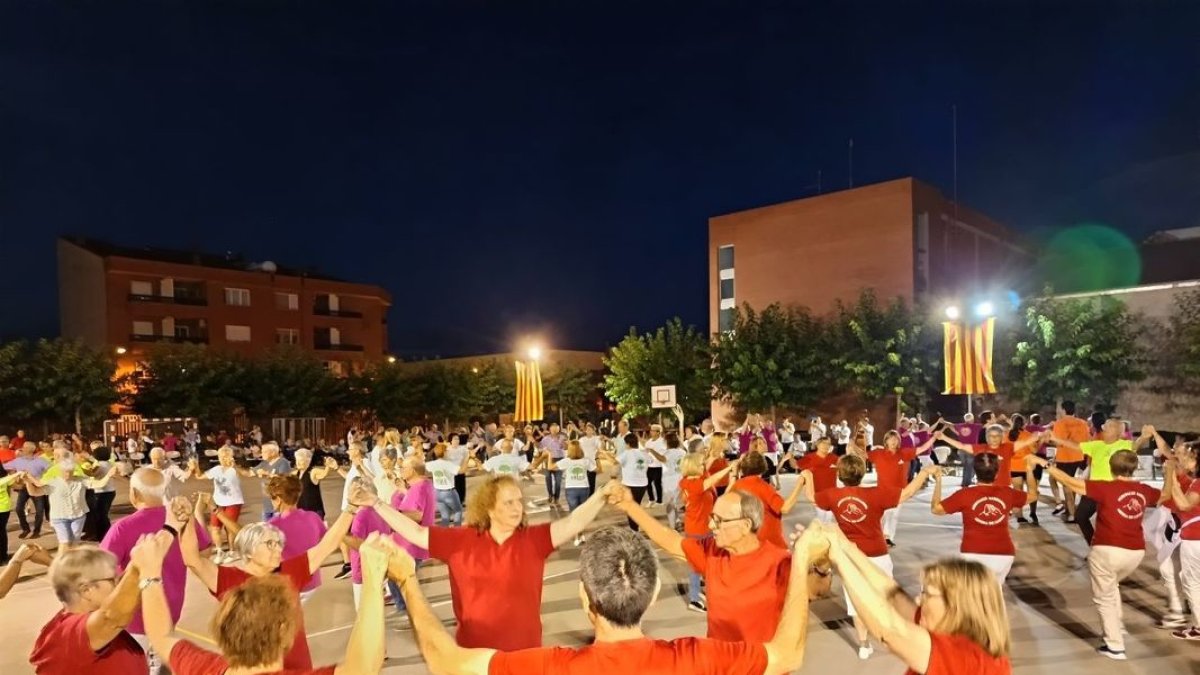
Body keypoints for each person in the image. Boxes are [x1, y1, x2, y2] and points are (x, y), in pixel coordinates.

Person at [396, 523, 820, 674]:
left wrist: (407, 581)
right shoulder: (697, 658)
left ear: (585, 598)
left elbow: (445, 661)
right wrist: (799, 562)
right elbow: (788, 655)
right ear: (652, 593)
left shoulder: (552, 667)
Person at [364, 474, 616, 650]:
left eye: (519, 501)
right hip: (474, 655)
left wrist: (602, 494)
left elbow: (573, 522)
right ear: (489, 508)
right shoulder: (460, 541)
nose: (518, 507)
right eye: (508, 502)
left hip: (525, 655)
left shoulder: (534, 539)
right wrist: (376, 503)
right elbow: (416, 533)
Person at [142, 528, 388, 675]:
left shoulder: (205, 668)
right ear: (283, 632)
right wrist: (374, 579)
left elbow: (160, 635)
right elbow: (363, 667)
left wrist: (149, 573)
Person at [181, 483, 369, 670]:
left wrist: (350, 508)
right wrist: (186, 519)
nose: (278, 548)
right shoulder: (227, 579)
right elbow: (192, 560)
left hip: (297, 667)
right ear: (249, 549)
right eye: (269, 543)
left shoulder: (290, 571)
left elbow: (327, 544)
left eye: (279, 543)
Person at [620, 483, 816, 642]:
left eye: (719, 520)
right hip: (720, 663)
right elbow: (670, 540)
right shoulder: (712, 550)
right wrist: (629, 506)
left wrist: (818, 561)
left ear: (745, 525)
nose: (711, 525)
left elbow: (817, 589)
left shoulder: (779, 561)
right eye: (713, 517)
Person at [824, 524, 1012, 674]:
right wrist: (845, 547)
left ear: (956, 604)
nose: (918, 600)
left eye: (927, 594)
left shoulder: (966, 656)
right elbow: (892, 594)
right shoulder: (950, 632)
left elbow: (888, 632)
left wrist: (839, 561)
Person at [803, 454, 935, 659]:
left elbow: (812, 497)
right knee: (887, 597)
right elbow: (906, 494)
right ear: (862, 473)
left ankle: (864, 645)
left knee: (856, 602)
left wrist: (808, 477)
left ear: (839, 475)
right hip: (877, 553)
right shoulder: (876, 493)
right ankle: (894, 637)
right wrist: (925, 472)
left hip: (850, 556)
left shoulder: (831, 495)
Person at [1030, 450, 1160, 660]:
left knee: (1104, 597)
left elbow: (1069, 482)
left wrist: (1044, 464)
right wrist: (1171, 470)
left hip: (1107, 550)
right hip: (1135, 552)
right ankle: (1118, 627)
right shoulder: (1144, 490)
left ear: (1110, 467)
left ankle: (1115, 645)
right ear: (1135, 467)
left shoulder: (1105, 488)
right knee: (1112, 585)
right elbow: (1166, 496)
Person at [99, 468, 212, 674]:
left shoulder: (122, 528)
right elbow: (204, 552)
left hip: (133, 619)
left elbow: (102, 570)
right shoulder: (180, 519)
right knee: (162, 661)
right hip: (170, 611)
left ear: (134, 494)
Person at [29, 544, 147, 673]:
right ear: (87, 590)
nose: (119, 586)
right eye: (113, 580)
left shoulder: (75, 625)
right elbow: (112, 618)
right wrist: (140, 566)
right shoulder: (71, 632)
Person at [930, 456, 1038, 582]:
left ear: (975, 472)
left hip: (973, 553)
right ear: (997, 474)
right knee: (995, 593)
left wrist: (938, 480)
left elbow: (935, 509)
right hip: (1004, 553)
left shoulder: (964, 494)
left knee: (975, 596)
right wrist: (1029, 470)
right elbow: (1033, 495)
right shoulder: (1007, 493)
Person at [1051, 416, 1149, 545]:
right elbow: (1075, 446)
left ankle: (1113, 547)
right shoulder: (1096, 445)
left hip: (1112, 492)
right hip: (1095, 490)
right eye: (1104, 426)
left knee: (1109, 523)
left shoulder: (1124, 445)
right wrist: (1054, 438)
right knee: (1081, 517)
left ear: (1116, 431)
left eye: (1107, 426)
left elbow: (1137, 444)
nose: (1104, 429)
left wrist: (1145, 436)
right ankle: (1093, 544)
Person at [851, 430, 939, 547]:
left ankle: (888, 538)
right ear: (886, 441)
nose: (893, 441)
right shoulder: (878, 453)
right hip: (882, 491)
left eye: (895, 439)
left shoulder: (904, 453)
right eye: (890, 439)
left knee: (893, 515)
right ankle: (879, 536)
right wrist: (852, 444)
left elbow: (922, 448)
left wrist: (933, 438)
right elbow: (862, 454)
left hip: (900, 492)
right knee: (883, 515)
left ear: (898, 441)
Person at [676, 453, 740, 611]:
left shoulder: (695, 480)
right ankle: (694, 598)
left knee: (703, 563)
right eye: (700, 465)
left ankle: (699, 591)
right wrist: (729, 468)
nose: (703, 467)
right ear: (692, 467)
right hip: (697, 531)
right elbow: (713, 480)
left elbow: (709, 470)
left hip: (704, 529)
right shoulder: (691, 485)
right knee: (697, 565)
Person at [387, 454, 437, 615]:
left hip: (411, 544)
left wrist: (391, 514)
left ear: (414, 470)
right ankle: (406, 610)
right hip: (407, 542)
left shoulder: (420, 487)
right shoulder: (420, 486)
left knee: (401, 580)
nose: (400, 470)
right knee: (400, 579)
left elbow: (417, 515)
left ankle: (407, 612)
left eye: (403, 467)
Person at [187, 446, 252, 563]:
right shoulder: (216, 469)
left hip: (234, 502)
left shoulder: (235, 469)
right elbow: (199, 476)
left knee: (229, 528)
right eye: (221, 457)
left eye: (225, 456)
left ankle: (232, 552)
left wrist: (235, 466)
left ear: (230, 456)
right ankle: (219, 551)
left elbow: (247, 474)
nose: (223, 459)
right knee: (215, 528)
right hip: (218, 501)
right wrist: (195, 466)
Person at [729, 451, 805, 549]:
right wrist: (800, 484)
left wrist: (736, 474)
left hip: (748, 539)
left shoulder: (737, 485)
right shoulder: (763, 487)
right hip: (768, 541)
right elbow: (784, 508)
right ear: (763, 466)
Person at [546, 440, 597, 545]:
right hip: (584, 488)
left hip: (571, 489)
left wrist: (549, 455)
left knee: (574, 514)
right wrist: (597, 458)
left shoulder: (567, 461)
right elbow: (597, 469)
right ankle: (581, 534)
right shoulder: (585, 461)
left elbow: (550, 467)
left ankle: (576, 536)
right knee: (582, 513)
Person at [1050, 401, 1093, 521]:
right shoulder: (1083, 423)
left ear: (1064, 410)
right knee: (1071, 483)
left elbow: (1058, 442)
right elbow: (1087, 440)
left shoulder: (1060, 423)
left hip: (1065, 457)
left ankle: (1072, 515)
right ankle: (1070, 510)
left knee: (1066, 486)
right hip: (1079, 457)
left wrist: (1051, 440)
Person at [5, 442, 51, 540]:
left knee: (39, 510)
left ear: (31, 449)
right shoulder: (17, 461)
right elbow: (4, 466)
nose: (22, 448)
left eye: (25, 447)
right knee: (18, 508)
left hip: (37, 487)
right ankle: (25, 529)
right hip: (24, 487)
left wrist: (43, 479)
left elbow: (51, 470)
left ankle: (37, 531)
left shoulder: (41, 461)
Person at [796, 437, 839, 522]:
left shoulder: (834, 458)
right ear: (817, 445)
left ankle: (823, 531)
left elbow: (844, 469)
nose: (826, 446)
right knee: (821, 516)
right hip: (817, 493)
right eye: (823, 443)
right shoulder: (809, 457)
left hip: (831, 493)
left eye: (828, 444)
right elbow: (797, 465)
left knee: (828, 518)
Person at [428, 442, 471, 527]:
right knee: (458, 511)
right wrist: (467, 458)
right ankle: (457, 531)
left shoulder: (431, 464)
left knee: (445, 515)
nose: (448, 452)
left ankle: (445, 534)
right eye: (447, 450)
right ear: (444, 452)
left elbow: (426, 472)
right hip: (448, 491)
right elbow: (461, 471)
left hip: (437, 492)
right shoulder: (448, 464)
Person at [617, 432, 651, 530]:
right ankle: (636, 527)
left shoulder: (627, 453)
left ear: (627, 444)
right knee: (636, 506)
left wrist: (603, 454)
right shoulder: (644, 453)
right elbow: (650, 462)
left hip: (629, 484)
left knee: (630, 508)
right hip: (642, 484)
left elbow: (615, 461)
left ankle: (634, 530)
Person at [293, 448, 339, 519]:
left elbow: (323, 474)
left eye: (300, 461)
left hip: (314, 510)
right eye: (297, 460)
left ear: (307, 461)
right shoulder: (296, 473)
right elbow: (284, 477)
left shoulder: (313, 471)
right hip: (300, 509)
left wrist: (328, 466)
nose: (297, 463)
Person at [254, 442, 293, 521]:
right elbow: (250, 472)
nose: (261, 454)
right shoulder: (264, 463)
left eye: (264, 451)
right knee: (266, 531)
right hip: (267, 506)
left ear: (272, 452)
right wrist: (235, 468)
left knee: (278, 531)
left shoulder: (283, 462)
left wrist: (266, 473)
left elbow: (283, 478)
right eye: (262, 451)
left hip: (279, 506)